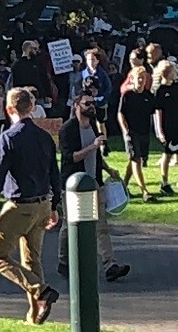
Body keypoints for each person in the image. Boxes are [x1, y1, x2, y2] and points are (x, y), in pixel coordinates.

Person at [0, 87, 61, 325]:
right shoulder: (44, 136)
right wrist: (55, 205)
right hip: (43, 204)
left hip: (19, 205)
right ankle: (35, 315)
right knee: (31, 259)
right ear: (31, 107)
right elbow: (53, 173)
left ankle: (41, 290)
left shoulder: (8, 137)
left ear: (9, 109)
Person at [57, 92, 131, 282]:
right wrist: (92, 146)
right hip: (73, 185)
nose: (91, 106)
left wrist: (108, 168)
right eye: (86, 103)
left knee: (101, 226)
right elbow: (70, 157)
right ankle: (64, 261)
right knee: (69, 224)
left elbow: (96, 156)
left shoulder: (93, 127)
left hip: (94, 183)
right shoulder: (68, 130)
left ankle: (109, 264)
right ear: (76, 106)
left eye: (92, 103)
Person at [118, 66, 156, 202]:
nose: (140, 80)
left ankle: (123, 185)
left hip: (144, 132)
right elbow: (120, 113)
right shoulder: (127, 95)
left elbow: (156, 112)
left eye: (143, 77)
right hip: (131, 132)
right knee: (136, 159)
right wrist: (125, 130)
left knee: (134, 160)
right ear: (132, 79)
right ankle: (144, 191)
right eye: (138, 77)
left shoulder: (148, 96)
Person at [153, 60, 178, 196]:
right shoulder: (160, 91)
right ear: (167, 73)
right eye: (173, 71)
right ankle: (164, 182)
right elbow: (158, 112)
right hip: (168, 128)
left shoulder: (176, 87)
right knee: (167, 155)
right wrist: (160, 131)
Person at [81, 49, 112, 155]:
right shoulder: (84, 73)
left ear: (97, 61)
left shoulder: (102, 74)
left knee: (101, 123)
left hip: (100, 102)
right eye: (88, 59)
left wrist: (100, 99)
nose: (90, 61)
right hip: (88, 103)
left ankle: (104, 144)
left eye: (93, 59)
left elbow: (108, 89)